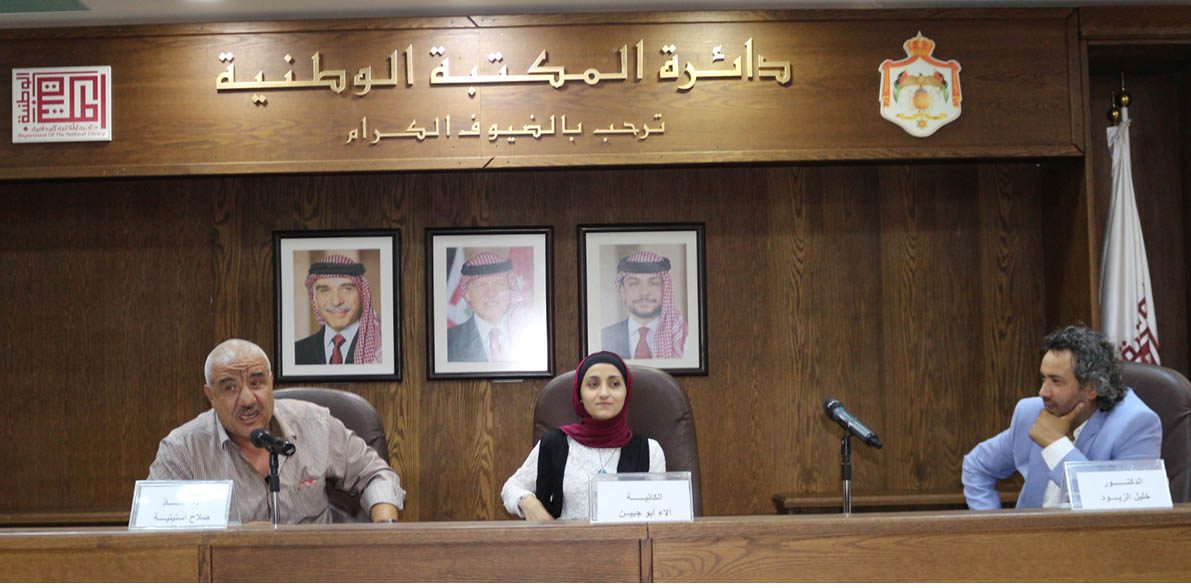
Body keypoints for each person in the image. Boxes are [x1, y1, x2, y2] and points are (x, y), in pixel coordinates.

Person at [149, 339, 404, 523]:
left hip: (316, 569)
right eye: (230, 388)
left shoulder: (316, 424)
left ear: (271, 382)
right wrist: (236, 538)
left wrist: (385, 530)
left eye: (256, 382)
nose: (247, 399)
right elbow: (155, 526)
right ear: (210, 396)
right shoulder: (182, 450)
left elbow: (376, 475)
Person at [962, 325, 1162, 509]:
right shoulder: (1032, 412)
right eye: (1043, 378)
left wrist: (1056, 446)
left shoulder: (1136, 424)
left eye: (1056, 381)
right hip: (1033, 535)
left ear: (1092, 387)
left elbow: (1122, 509)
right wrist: (994, 529)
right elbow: (976, 466)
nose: (1043, 392)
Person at [501, 351, 666, 521]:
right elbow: (511, 488)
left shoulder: (650, 451)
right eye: (593, 384)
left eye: (615, 384)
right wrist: (528, 502)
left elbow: (659, 513)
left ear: (627, 392)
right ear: (579, 395)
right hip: (565, 538)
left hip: (628, 539)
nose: (604, 393)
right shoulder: (556, 443)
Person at [295, 254, 382, 365]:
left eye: (346, 289)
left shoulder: (382, 349)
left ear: (362, 296)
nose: (336, 301)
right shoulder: (296, 352)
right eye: (325, 290)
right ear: (315, 299)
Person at [600, 251, 687, 360]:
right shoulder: (604, 337)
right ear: (623, 292)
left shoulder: (682, 337)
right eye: (634, 283)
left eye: (653, 283)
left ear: (665, 290)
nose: (644, 292)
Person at [448, 252, 519, 362]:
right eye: (481, 285)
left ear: (510, 289)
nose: (491, 293)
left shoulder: (532, 335)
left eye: (499, 284)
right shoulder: (449, 342)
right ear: (467, 294)